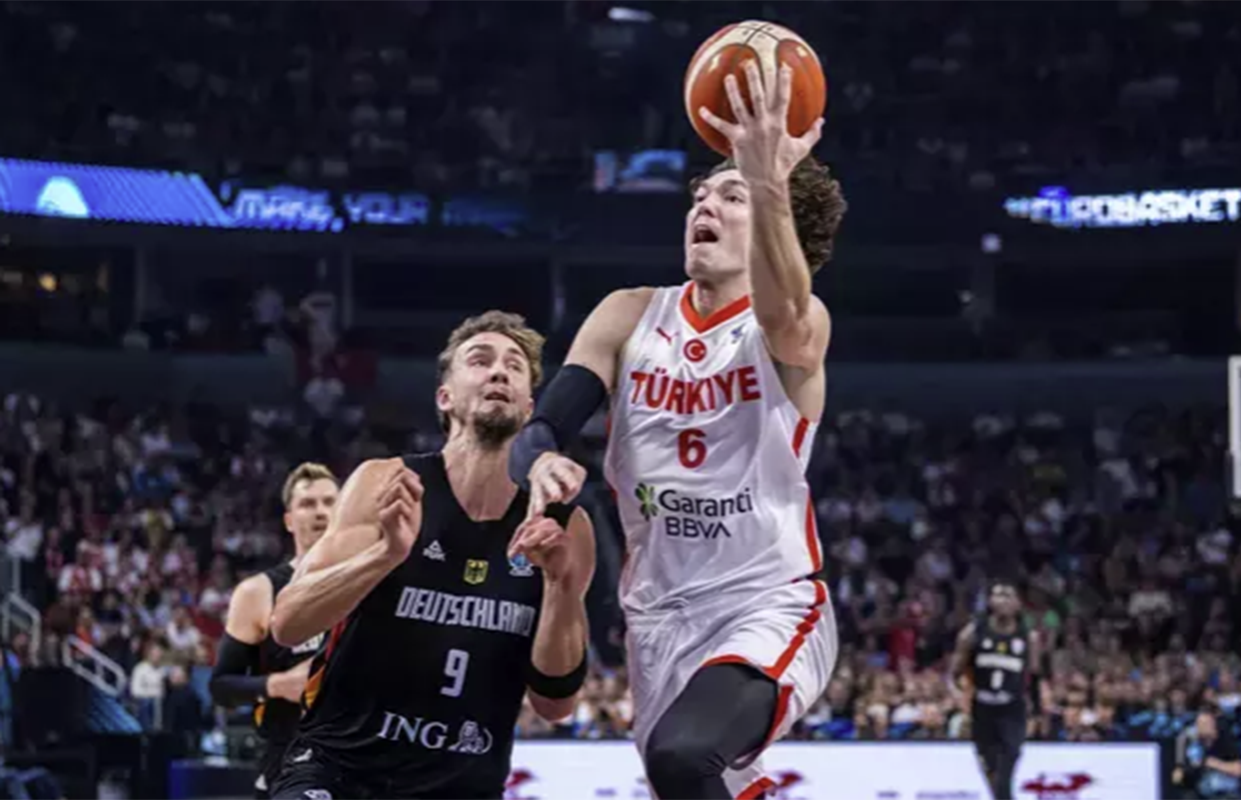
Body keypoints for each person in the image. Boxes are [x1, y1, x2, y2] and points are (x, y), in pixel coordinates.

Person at [509, 61, 846, 800]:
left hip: (767, 601)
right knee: (694, 775)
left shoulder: (794, 325)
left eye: (731, 196)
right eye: (700, 195)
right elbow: (545, 426)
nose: (705, 205)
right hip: (658, 616)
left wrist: (767, 179)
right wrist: (539, 460)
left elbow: (789, 314)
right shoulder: (628, 314)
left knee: (683, 755)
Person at [268, 311, 595, 800]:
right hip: (340, 770)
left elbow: (555, 704)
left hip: (461, 786)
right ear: (445, 396)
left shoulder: (562, 525)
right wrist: (385, 554)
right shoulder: (386, 482)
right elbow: (288, 623)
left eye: (514, 366)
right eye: (480, 361)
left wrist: (559, 584)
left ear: (529, 408)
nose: (499, 372)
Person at [210, 462, 340, 799]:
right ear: (289, 520)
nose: (320, 511)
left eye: (330, 502)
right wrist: (279, 684)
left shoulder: (374, 582)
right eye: (308, 503)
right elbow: (221, 687)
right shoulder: (258, 592)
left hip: (358, 761)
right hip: (286, 762)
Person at [950, 581, 1045, 800]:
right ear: (990, 601)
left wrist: (1038, 712)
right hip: (982, 708)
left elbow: (1035, 677)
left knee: (1007, 764)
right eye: (998, 595)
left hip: (1012, 708)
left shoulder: (1028, 637)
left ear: (1018, 603)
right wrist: (961, 699)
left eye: (1008, 595)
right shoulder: (972, 633)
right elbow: (954, 675)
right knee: (991, 768)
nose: (1002, 601)